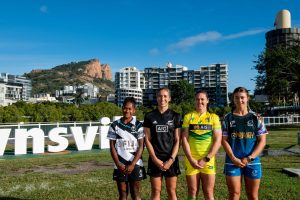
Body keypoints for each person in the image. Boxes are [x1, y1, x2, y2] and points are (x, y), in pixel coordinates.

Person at [222, 87, 268, 200]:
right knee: (234, 194)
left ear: (248, 98)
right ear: (233, 99)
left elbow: (262, 141)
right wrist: (233, 158)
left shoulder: (256, 118)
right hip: (232, 161)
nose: (239, 100)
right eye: (236, 97)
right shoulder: (227, 118)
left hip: (252, 161)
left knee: (252, 195)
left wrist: (249, 158)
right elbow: (223, 140)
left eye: (242, 97)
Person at [181, 90, 222, 200]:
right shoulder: (188, 117)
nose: (200, 101)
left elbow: (218, 140)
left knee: (208, 193)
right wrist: (190, 159)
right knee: (192, 192)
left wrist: (206, 158)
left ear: (207, 101)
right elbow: (184, 139)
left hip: (208, 160)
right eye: (197, 99)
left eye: (202, 99)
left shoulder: (214, 117)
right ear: (194, 101)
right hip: (191, 160)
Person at [143, 87, 181, 200]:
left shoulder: (176, 116)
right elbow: (147, 139)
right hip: (155, 159)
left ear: (169, 98)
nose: (162, 98)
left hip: (171, 159)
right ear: (156, 98)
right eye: (159, 96)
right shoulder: (149, 116)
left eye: (165, 96)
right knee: (155, 191)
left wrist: (171, 160)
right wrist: (154, 159)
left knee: (171, 191)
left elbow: (178, 140)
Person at [107, 97, 146, 200]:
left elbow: (141, 146)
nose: (127, 111)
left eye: (129, 109)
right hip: (120, 165)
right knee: (123, 195)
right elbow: (112, 147)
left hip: (135, 164)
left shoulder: (138, 125)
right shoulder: (114, 125)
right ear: (122, 108)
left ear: (134, 110)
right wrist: (118, 164)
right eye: (125, 108)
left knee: (135, 194)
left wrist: (133, 164)